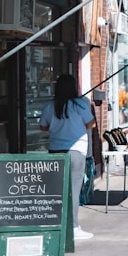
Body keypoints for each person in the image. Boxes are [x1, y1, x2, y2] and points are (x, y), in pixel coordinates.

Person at [40, 74, 96, 241]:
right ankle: (73, 227)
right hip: (76, 152)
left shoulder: (51, 106)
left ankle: (56, 223)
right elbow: (91, 123)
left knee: (57, 191)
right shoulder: (79, 104)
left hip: (55, 151)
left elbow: (43, 126)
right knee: (73, 190)